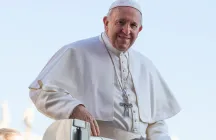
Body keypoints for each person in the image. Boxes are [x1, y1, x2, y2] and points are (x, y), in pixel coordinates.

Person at [28, 0, 181, 139]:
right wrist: (73, 108)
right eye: (121, 22)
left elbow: (156, 120)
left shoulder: (146, 66)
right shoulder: (78, 51)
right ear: (106, 22)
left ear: (139, 30)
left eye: (133, 25)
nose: (126, 31)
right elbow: (40, 91)